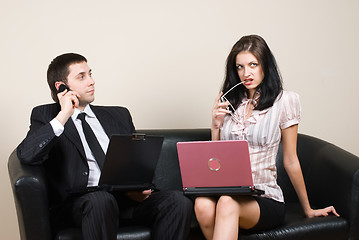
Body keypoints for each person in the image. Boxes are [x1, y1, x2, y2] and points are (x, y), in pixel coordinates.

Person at [17, 53, 193, 240]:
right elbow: (27, 155)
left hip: (125, 201)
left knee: (177, 201)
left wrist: (139, 188)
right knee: (101, 200)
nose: (91, 81)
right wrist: (64, 115)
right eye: (81, 77)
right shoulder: (46, 115)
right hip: (80, 204)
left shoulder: (118, 115)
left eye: (90, 74)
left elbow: (136, 162)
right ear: (61, 86)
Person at [194, 35, 339, 240]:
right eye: (240, 67)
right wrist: (216, 126)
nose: (246, 73)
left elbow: (290, 159)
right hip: (230, 192)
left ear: (265, 65)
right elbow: (217, 161)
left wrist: (307, 208)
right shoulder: (231, 102)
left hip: (265, 197)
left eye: (253, 64)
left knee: (226, 202)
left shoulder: (285, 101)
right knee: (202, 204)